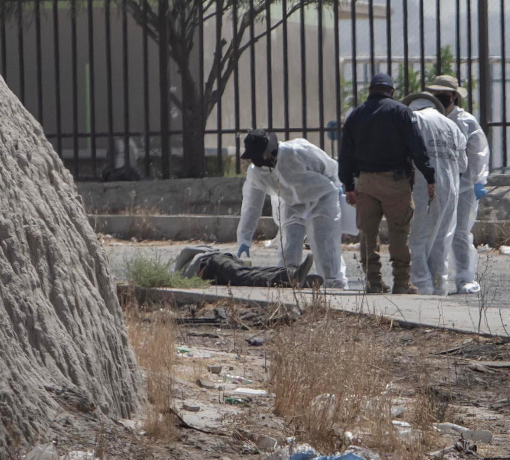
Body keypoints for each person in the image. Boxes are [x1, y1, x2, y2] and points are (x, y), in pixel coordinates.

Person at [338, 72, 436, 294]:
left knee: (367, 233)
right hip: (395, 182)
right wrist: (430, 177)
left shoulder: (355, 115)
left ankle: (373, 281)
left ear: (370, 90)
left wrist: (348, 186)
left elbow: (345, 155)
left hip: (365, 183)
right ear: (392, 91)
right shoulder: (401, 112)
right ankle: (401, 282)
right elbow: (417, 147)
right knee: (399, 232)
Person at [237, 130, 350, 289]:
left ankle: (334, 288)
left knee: (326, 248)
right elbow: (251, 204)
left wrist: (338, 184)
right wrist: (244, 238)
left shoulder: (297, 151)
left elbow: (328, 165)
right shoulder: (256, 173)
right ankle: (289, 287)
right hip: (291, 205)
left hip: (322, 198)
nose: (259, 160)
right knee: (288, 251)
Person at [425, 75, 490, 294]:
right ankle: (436, 279)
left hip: (463, 186)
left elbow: (478, 152)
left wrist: (478, 180)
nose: (440, 97)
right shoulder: (428, 118)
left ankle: (464, 278)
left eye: (444, 93)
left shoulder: (465, 121)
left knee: (461, 232)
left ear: (454, 95)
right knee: (436, 233)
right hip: (437, 185)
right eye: (437, 93)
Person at [401, 93, 467, 296]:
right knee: (441, 239)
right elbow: (463, 163)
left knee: (417, 239)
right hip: (451, 188)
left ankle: (422, 286)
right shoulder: (451, 125)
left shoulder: (414, 119)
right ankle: (439, 286)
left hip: (424, 186)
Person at [174, 245, 319, 288]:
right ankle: (293, 275)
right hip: (215, 269)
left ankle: (291, 276)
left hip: (213, 263)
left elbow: (186, 250)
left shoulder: (185, 262)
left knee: (243, 275)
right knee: (250, 274)